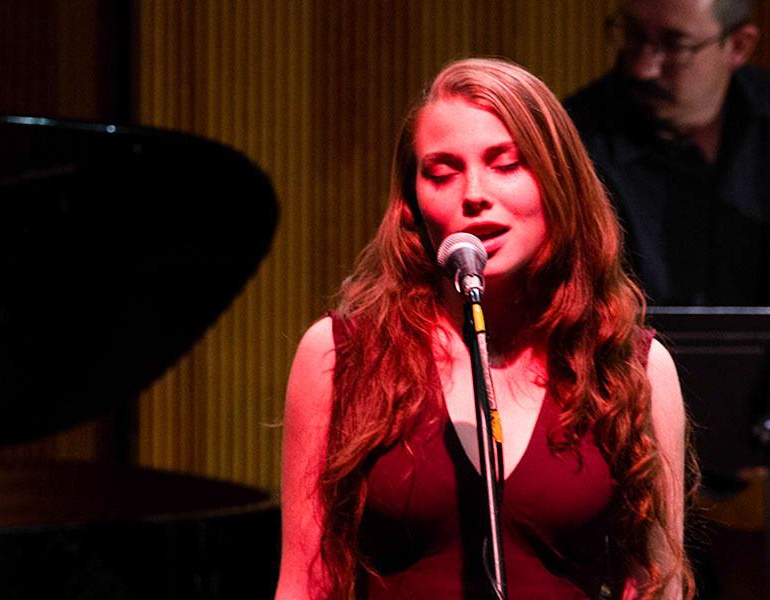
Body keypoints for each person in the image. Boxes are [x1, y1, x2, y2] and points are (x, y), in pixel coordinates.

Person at [276, 57, 693, 599]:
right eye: (442, 172)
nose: (474, 193)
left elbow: (659, 584)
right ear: (410, 207)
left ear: (558, 181)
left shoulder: (629, 364)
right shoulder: (340, 355)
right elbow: (305, 582)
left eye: (507, 163)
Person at [564, 0, 765, 306]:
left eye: (674, 45)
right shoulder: (573, 142)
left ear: (738, 46)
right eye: (633, 36)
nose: (642, 69)